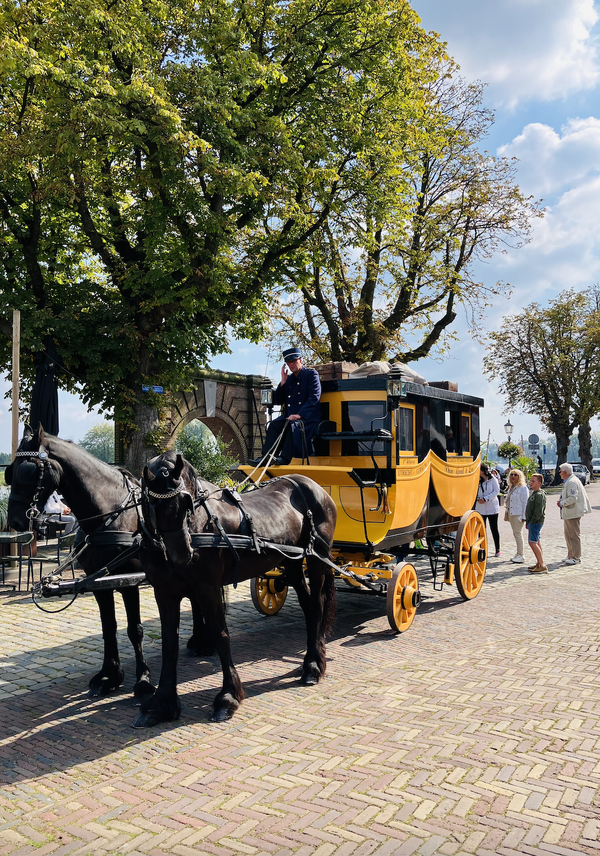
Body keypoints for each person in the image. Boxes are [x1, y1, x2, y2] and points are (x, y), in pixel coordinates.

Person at [250, 345, 321, 466]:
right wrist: (282, 382)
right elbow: (278, 400)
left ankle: (284, 458)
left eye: (293, 361)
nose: (291, 364)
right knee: (274, 425)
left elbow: (314, 397)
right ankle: (266, 458)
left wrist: (300, 415)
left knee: (292, 426)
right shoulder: (288, 379)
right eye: (289, 362)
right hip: (290, 416)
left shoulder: (311, 374)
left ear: (300, 360)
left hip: (308, 417)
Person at [557, 462, 591, 565]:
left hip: (573, 512)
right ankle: (570, 554)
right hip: (569, 512)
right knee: (568, 535)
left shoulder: (572, 482)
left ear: (565, 472)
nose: (559, 473)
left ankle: (576, 557)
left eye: (560, 471)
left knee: (574, 535)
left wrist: (562, 503)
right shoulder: (569, 480)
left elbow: (573, 497)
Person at [504, 468, 529, 563]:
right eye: (511, 474)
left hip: (518, 513)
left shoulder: (523, 488)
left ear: (520, 476)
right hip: (511, 512)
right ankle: (518, 552)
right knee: (516, 533)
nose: (513, 476)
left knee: (518, 534)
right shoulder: (511, 487)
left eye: (515, 475)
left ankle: (521, 554)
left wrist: (524, 516)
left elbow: (525, 503)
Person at [477, 463, 501, 557]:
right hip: (481, 508)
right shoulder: (478, 480)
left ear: (482, 471)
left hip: (492, 508)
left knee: (494, 528)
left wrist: (486, 498)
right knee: (481, 530)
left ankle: (497, 548)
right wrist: (479, 498)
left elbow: (496, 491)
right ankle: (483, 548)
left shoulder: (492, 479)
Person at [526, 473, 547, 573]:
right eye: (531, 481)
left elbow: (539, 510)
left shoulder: (539, 495)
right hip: (532, 521)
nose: (531, 483)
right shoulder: (534, 493)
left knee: (532, 542)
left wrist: (532, 521)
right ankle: (539, 562)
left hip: (536, 522)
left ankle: (542, 565)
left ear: (539, 483)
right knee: (537, 542)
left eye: (533, 481)